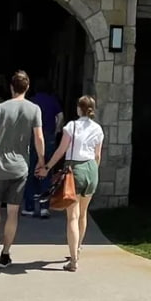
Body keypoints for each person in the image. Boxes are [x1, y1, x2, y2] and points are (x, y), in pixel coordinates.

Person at [0, 70, 45, 268]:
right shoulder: (34, 109)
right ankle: (5, 254)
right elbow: (39, 137)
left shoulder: (0, 108)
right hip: (20, 168)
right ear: (27, 87)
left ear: (11, 87)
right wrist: (41, 161)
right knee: (13, 212)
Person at [39, 95, 103, 272]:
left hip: (75, 169)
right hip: (91, 169)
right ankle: (78, 248)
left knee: (72, 217)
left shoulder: (71, 126)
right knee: (83, 214)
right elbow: (98, 155)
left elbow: (61, 150)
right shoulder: (98, 129)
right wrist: (94, 170)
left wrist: (47, 167)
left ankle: (73, 260)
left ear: (78, 109)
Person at [22, 79, 62, 218]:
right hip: (49, 137)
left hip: (33, 137)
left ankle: (29, 206)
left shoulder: (31, 101)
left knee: (30, 171)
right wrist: (56, 132)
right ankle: (44, 207)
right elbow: (60, 117)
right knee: (47, 170)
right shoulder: (53, 101)